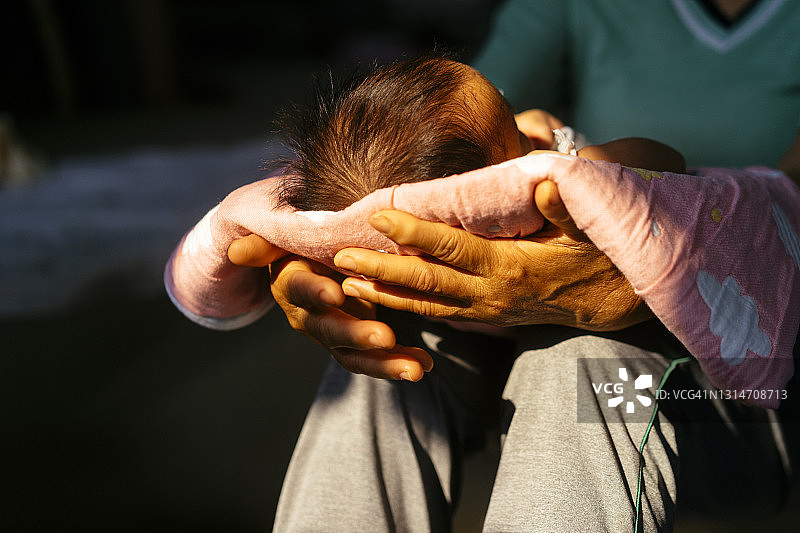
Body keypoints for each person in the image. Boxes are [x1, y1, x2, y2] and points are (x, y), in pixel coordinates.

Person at [182, 1, 800, 531]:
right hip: (494, 342)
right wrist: (328, 259)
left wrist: (610, 193)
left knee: (580, 365)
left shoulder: (567, 168)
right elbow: (432, 128)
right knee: (381, 368)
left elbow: (659, 166)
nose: (533, 140)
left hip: (749, 387)